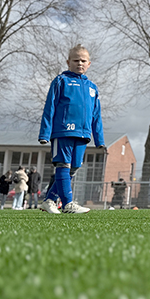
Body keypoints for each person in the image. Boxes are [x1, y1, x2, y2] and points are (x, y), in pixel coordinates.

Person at [38, 44, 105, 214]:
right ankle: (68, 204)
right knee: (63, 165)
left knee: (74, 168)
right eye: (76, 60)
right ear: (68, 62)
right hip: (63, 131)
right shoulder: (61, 81)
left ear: (89, 64)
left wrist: (99, 139)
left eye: (83, 61)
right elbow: (49, 107)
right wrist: (45, 133)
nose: (79, 63)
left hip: (83, 134)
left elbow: (96, 115)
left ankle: (49, 200)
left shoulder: (92, 87)